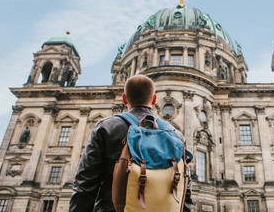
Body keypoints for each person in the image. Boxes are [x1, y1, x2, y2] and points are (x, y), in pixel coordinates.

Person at [69, 75, 192, 212]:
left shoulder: (106, 128)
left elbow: (85, 185)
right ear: (154, 99)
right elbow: (185, 190)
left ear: (124, 98)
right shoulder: (176, 135)